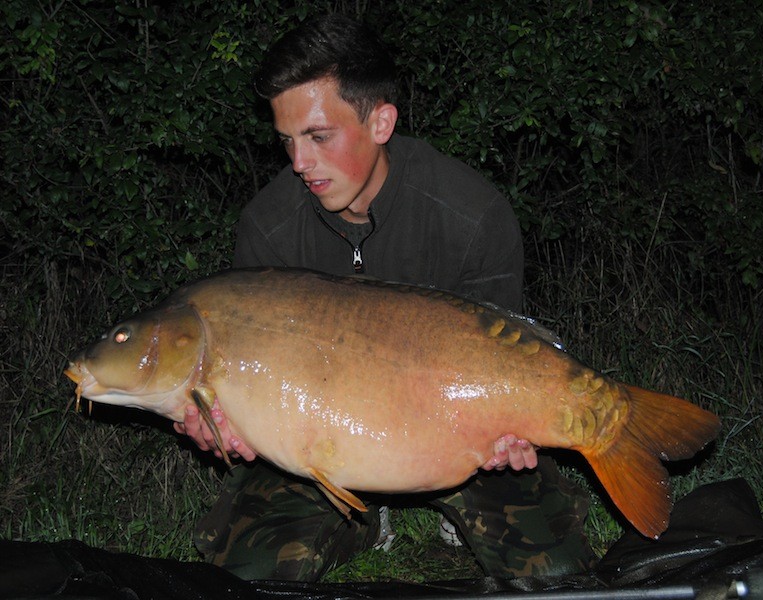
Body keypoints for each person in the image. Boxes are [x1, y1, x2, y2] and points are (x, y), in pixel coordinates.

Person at [175, 14, 594, 581]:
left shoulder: (472, 215)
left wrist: (509, 431)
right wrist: (218, 417)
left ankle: (455, 507)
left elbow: (506, 354)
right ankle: (368, 516)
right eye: (287, 141)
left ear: (381, 122)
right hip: (315, 447)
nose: (299, 163)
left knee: (558, 576)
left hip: (455, 440)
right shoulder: (269, 228)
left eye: (319, 137)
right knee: (248, 572)